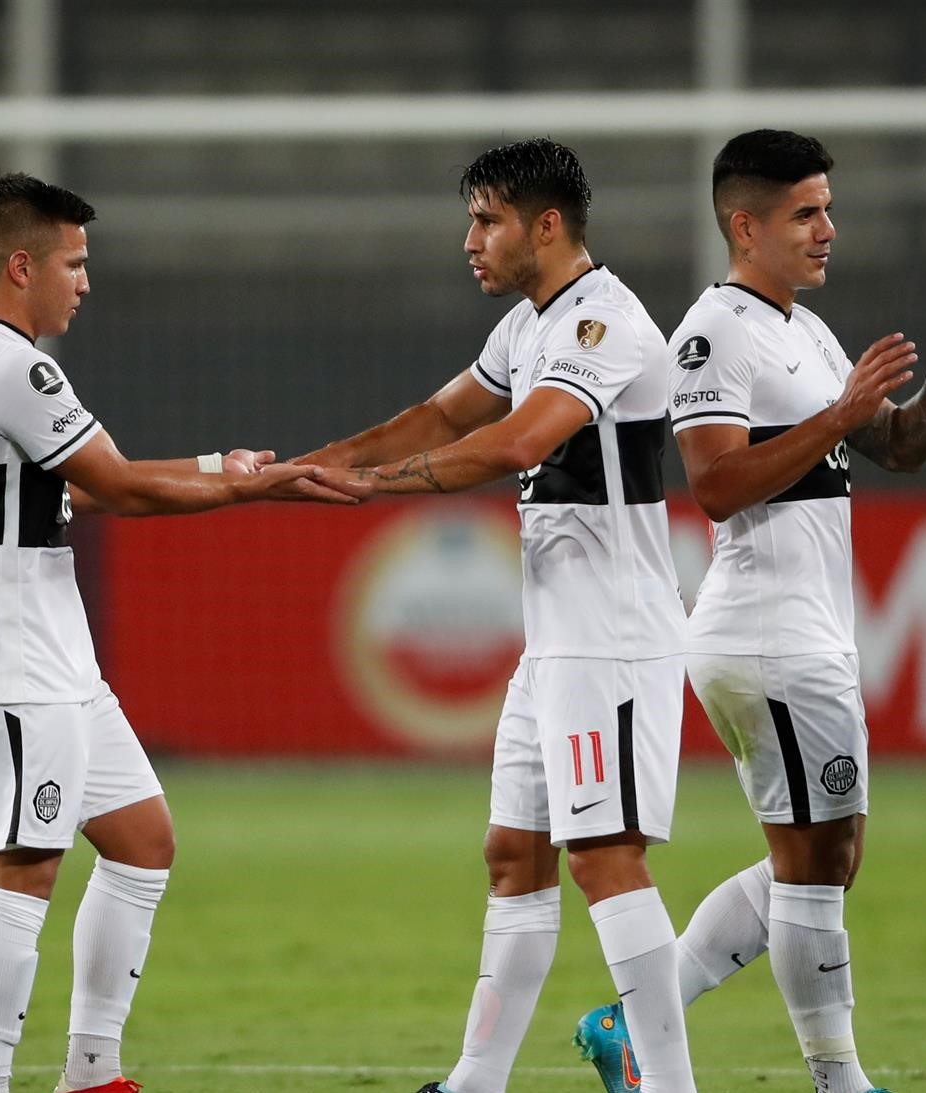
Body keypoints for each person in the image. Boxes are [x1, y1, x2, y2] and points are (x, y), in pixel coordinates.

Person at [569, 128, 926, 1093]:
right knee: (812, 867)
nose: (826, 230)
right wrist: (839, 416)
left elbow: (889, 447)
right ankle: (835, 1077)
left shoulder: (804, 330)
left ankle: (637, 1024)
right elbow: (716, 484)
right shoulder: (711, 332)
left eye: (827, 209)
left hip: (801, 629)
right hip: (762, 627)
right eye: (805, 212)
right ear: (744, 223)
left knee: (828, 854)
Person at [0, 173, 363, 1093]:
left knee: (142, 839)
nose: (85, 283)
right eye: (73, 264)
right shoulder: (13, 365)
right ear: (19, 264)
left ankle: (91, 1074)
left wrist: (216, 464)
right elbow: (118, 489)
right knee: (18, 873)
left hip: (52, 659)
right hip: (12, 663)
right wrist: (256, 487)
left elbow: (80, 482)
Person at [294, 138, 697, 1093]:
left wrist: (370, 487)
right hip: (555, 639)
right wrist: (311, 467)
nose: (469, 240)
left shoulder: (606, 323)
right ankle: (474, 1083)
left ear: (546, 226)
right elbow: (438, 418)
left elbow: (512, 441)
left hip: (613, 634)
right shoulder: (528, 326)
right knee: (513, 853)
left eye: (486, 220)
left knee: (604, 856)